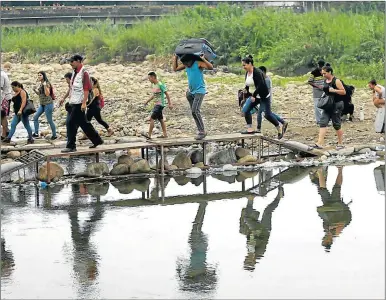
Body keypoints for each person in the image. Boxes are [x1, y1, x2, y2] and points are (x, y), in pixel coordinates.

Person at [59, 54, 103, 152]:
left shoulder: (84, 73)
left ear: (78, 61)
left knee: (70, 123)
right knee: (84, 123)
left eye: (72, 62)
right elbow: (72, 88)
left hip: (79, 102)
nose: (70, 64)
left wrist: (84, 103)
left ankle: (71, 146)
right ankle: (97, 140)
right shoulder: (74, 72)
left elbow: (86, 88)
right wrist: (64, 98)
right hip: (73, 102)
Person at [240, 55, 284, 139]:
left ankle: (279, 127)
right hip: (255, 96)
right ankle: (250, 129)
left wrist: (253, 95)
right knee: (246, 110)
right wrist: (245, 90)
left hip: (263, 96)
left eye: (244, 65)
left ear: (250, 64)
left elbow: (260, 85)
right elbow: (247, 84)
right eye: (243, 65)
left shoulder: (257, 72)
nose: (243, 67)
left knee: (267, 115)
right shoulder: (247, 73)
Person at [172, 53, 213, 140]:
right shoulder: (186, 65)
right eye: (184, 64)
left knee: (195, 111)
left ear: (190, 60)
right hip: (191, 92)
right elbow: (175, 69)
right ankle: (200, 130)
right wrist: (175, 57)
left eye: (186, 63)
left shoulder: (198, 63)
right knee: (193, 112)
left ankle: (202, 131)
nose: (186, 65)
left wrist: (204, 59)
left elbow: (211, 67)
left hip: (199, 91)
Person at [312, 166, 352, 252]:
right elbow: (343, 222)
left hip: (328, 207)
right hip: (338, 208)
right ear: (329, 241)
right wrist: (334, 225)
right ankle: (340, 169)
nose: (324, 238)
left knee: (322, 190)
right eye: (325, 240)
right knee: (336, 187)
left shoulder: (326, 229)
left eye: (323, 239)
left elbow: (325, 219)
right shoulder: (336, 232)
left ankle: (320, 171)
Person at [313, 65, 346, 150]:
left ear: (330, 72)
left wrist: (334, 90)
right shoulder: (325, 81)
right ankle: (320, 143)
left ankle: (340, 142)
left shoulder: (337, 81)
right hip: (327, 105)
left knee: (336, 125)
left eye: (325, 73)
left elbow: (343, 92)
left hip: (336, 105)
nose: (323, 75)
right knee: (322, 123)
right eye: (322, 73)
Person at [256, 66, 288, 134]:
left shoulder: (267, 80)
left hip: (266, 100)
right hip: (263, 99)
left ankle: (258, 129)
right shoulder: (263, 79)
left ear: (263, 72)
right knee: (267, 113)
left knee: (263, 113)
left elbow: (266, 92)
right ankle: (283, 122)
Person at [143, 71, 173, 139]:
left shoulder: (160, 84)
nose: (149, 80)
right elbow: (154, 95)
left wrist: (170, 104)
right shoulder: (153, 85)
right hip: (156, 104)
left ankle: (149, 135)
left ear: (153, 77)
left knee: (151, 118)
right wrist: (147, 101)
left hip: (160, 104)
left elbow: (167, 94)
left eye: (149, 78)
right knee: (161, 119)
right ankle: (165, 135)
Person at [32, 71, 57, 140]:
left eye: (40, 75)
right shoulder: (41, 84)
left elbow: (47, 94)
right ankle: (36, 133)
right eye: (38, 75)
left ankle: (54, 135)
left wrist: (45, 86)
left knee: (49, 120)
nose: (39, 76)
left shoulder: (47, 83)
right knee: (35, 117)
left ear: (44, 76)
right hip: (42, 104)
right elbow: (40, 94)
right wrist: (34, 90)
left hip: (48, 104)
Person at [308, 60, 326, 125]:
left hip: (324, 91)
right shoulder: (314, 72)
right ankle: (318, 121)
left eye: (322, 66)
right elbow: (310, 81)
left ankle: (325, 120)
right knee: (317, 106)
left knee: (325, 105)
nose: (320, 67)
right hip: (316, 91)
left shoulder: (325, 71)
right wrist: (317, 86)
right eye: (320, 66)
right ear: (318, 65)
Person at [1, 65, 12, 140]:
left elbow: (0, 89)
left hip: (3, 98)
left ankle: (4, 134)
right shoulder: (3, 73)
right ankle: (7, 131)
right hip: (6, 97)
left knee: (2, 116)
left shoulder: (1, 75)